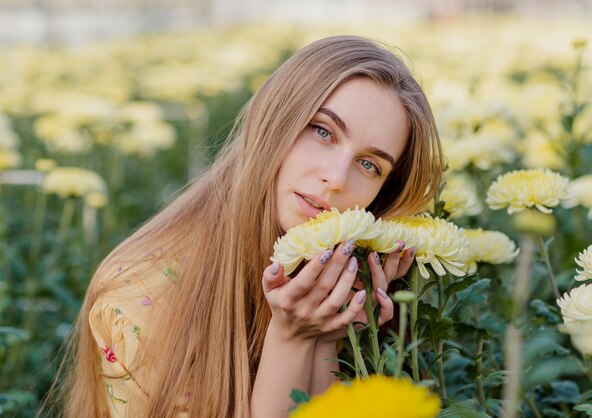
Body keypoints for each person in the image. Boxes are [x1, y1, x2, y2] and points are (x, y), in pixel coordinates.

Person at [58, 35, 444, 418]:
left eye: (369, 164)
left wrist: (330, 340)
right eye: (322, 131)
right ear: (274, 120)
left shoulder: (363, 287)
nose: (336, 178)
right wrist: (291, 339)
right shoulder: (139, 302)